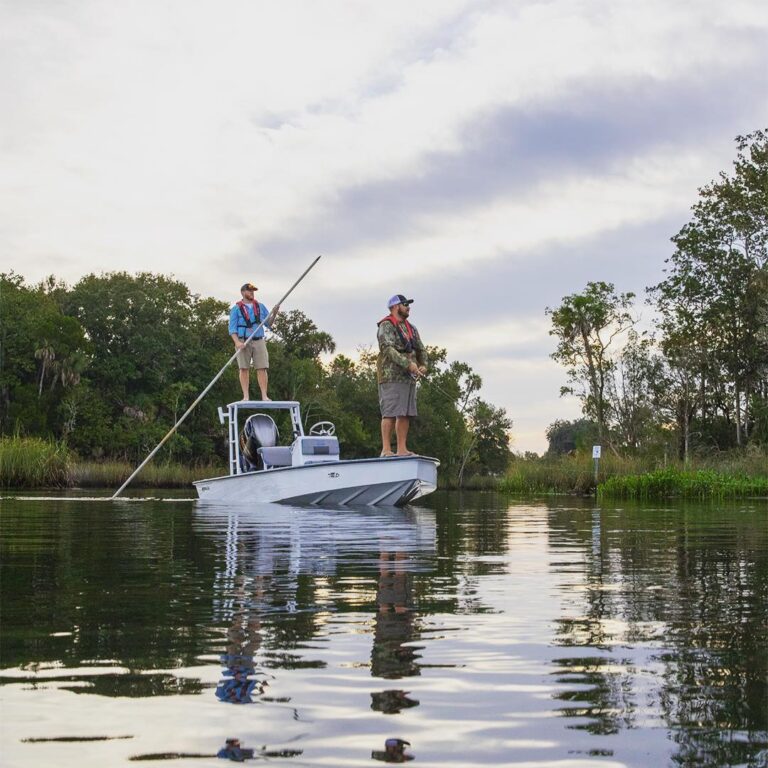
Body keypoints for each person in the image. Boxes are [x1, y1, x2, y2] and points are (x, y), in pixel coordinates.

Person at [376, 294, 427, 457]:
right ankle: (386, 450)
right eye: (405, 304)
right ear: (395, 307)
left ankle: (402, 450)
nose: (408, 307)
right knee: (390, 413)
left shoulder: (411, 328)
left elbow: (421, 349)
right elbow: (388, 350)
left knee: (405, 413)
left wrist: (423, 365)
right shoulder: (386, 325)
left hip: (408, 378)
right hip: (390, 376)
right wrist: (408, 364)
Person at [229, 282, 279, 401]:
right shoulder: (236, 309)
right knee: (244, 368)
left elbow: (269, 324)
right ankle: (245, 396)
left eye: (253, 291)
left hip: (258, 340)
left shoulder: (260, 306)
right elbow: (232, 329)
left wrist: (275, 313)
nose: (252, 293)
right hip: (243, 341)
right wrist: (237, 342)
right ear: (243, 292)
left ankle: (264, 396)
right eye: (249, 290)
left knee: (262, 367)